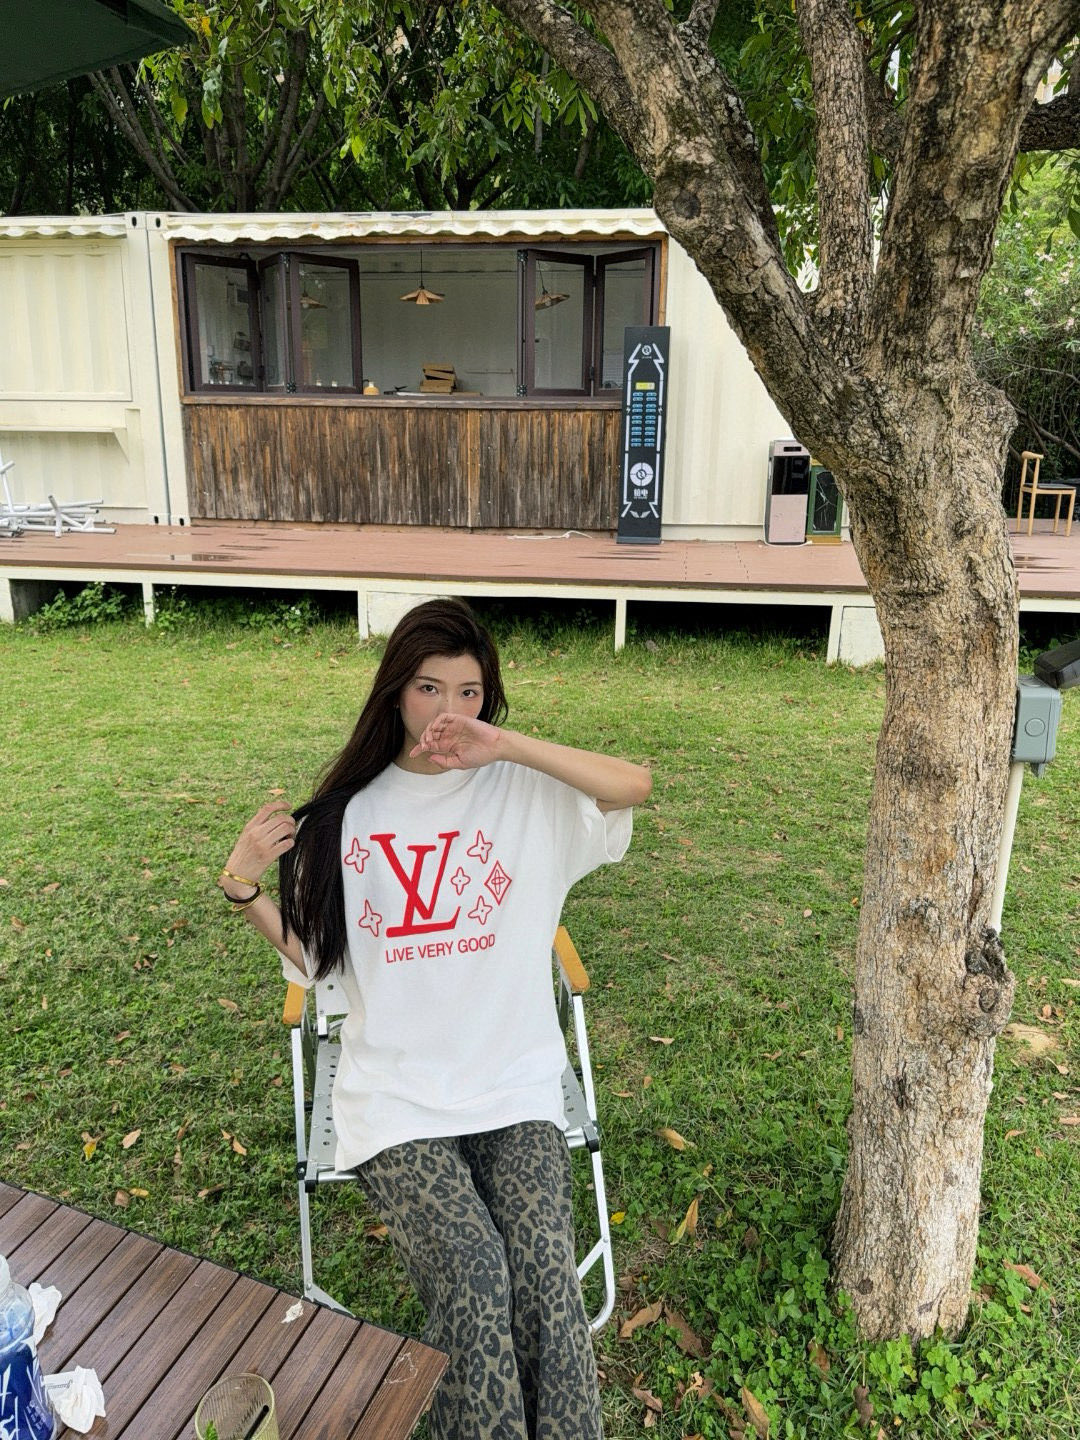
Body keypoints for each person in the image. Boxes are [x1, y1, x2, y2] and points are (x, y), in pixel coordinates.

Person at [220, 598, 651, 1440]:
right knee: (476, 1274)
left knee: (545, 1273)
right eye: (428, 688)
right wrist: (242, 889)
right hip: (396, 1097)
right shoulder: (343, 817)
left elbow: (634, 784)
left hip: (513, 1081)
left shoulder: (527, 793)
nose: (448, 711)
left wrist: (507, 747)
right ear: (395, 693)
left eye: (469, 691)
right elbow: (322, 964)